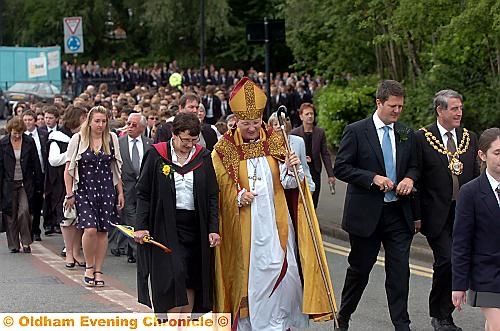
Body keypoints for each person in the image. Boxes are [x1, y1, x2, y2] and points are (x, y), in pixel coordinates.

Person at [212, 77, 334, 330]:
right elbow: (217, 189)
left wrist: (293, 170)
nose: (252, 127)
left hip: (278, 222)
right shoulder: (224, 148)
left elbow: (290, 186)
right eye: (246, 123)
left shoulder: (276, 141)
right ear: (235, 120)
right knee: (255, 275)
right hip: (247, 224)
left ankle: (279, 323)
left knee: (283, 271)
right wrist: (236, 196)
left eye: (256, 122)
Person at [333, 80, 418, 331]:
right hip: (366, 215)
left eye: (401, 106)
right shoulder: (356, 131)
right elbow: (342, 167)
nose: (397, 111)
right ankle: (344, 316)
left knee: (400, 273)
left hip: (398, 214)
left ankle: (402, 325)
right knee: (359, 271)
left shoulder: (405, 132)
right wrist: (372, 178)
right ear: (379, 103)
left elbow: (414, 164)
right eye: (393, 106)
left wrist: (409, 178)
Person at [133, 112, 220, 315]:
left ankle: (185, 323)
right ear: (174, 134)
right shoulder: (156, 155)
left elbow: (212, 196)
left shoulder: (203, 157)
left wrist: (213, 229)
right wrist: (141, 225)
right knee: (173, 276)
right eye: (185, 140)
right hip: (165, 225)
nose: (189, 145)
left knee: (191, 277)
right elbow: (143, 193)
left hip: (196, 226)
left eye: (193, 140)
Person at [414, 89, 479, 331]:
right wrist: (416, 215)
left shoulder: (469, 137)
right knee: (447, 260)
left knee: (457, 262)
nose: (459, 113)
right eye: (454, 108)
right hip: (435, 214)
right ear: (440, 110)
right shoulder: (422, 138)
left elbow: (475, 177)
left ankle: (444, 315)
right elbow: (415, 177)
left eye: (460, 108)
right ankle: (439, 314)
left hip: (462, 212)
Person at [64, 106, 124, 287]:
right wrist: (69, 193)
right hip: (84, 190)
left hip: (106, 190)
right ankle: (89, 267)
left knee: (102, 231)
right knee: (89, 229)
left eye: (104, 121)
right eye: (97, 121)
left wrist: (120, 192)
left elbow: (116, 169)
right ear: (89, 121)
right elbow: (69, 169)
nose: (100, 125)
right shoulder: (78, 138)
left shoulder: (112, 138)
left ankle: (98, 270)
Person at [452, 128, 500, 331]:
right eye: (497, 152)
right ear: (482, 155)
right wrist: (458, 284)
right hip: (485, 274)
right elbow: (461, 241)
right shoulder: (470, 192)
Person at [47, 106, 87, 268]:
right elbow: (54, 160)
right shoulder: (58, 137)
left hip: (82, 181)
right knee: (67, 218)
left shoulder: (85, 136)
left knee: (79, 219)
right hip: (62, 182)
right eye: (83, 117)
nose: (86, 121)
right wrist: (72, 152)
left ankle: (76, 252)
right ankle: (69, 252)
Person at [112, 113, 152, 264]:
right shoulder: (119, 143)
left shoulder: (149, 143)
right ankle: (137, 252)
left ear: (142, 128)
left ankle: (131, 250)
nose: (129, 127)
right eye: (128, 123)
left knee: (141, 216)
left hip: (143, 188)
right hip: (126, 187)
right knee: (130, 217)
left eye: (134, 125)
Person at [0, 116, 43, 253]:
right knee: (10, 213)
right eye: (15, 133)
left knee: (24, 211)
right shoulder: (3, 143)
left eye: (20, 133)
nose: (17, 135)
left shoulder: (29, 142)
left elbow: (36, 163)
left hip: (25, 182)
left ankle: (26, 242)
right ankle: (13, 244)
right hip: (8, 183)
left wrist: (38, 184)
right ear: (10, 131)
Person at [290, 103, 335, 208]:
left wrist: (330, 174)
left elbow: (325, 153)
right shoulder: (294, 133)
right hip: (300, 169)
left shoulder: (320, 132)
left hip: (315, 170)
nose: (310, 116)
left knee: (314, 198)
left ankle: (313, 220)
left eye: (312, 114)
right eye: (307, 114)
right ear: (301, 116)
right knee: (301, 197)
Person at [268, 111, 315, 192]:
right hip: (275, 189)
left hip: (295, 187)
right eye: (275, 124)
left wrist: (311, 186)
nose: (279, 126)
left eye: (281, 123)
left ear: (286, 125)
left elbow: (304, 166)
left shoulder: (299, 141)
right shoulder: (268, 144)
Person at [22, 110, 48, 242]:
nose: (28, 122)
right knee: (28, 204)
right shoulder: (21, 136)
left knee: (38, 202)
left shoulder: (43, 135)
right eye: (25, 120)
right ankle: (28, 230)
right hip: (28, 175)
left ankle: (36, 229)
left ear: (35, 121)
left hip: (42, 171)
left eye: (30, 120)